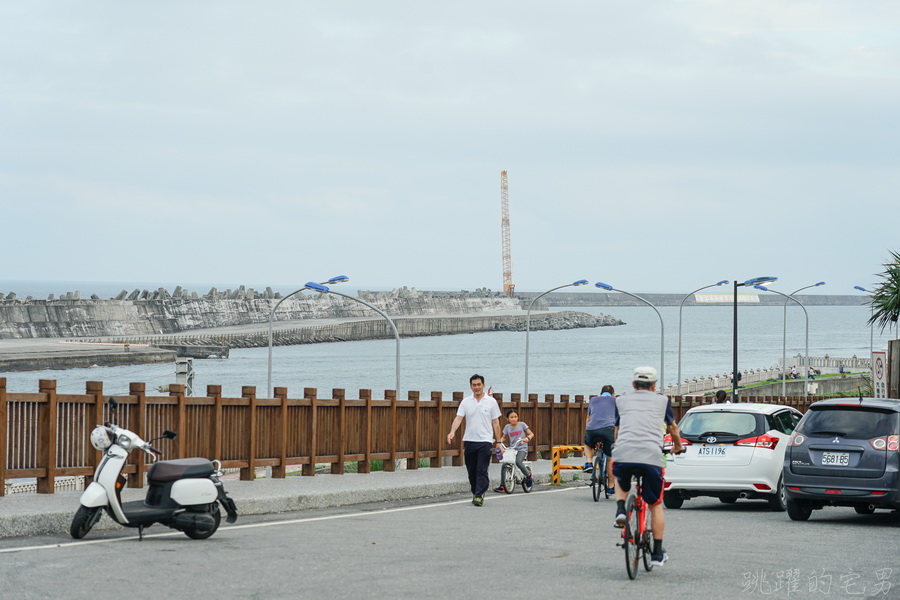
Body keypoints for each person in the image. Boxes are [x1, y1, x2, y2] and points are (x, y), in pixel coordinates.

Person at [612, 366, 684, 568]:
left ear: (633, 385)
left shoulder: (621, 400)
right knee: (655, 504)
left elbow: (618, 429)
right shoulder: (662, 401)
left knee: (621, 479)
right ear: (654, 386)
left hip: (624, 453)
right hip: (651, 457)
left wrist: (619, 447)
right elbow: (673, 428)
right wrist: (677, 447)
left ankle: (620, 510)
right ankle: (658, 553)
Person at [447, 374, 503, 507]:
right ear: (470, 386)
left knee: (481, 469)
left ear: (483, 385)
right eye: (474, 385)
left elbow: (496, 422)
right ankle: (475, 491)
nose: (476, 387)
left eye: (479, 384)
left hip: (485, 441)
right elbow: (458, 418)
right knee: (471, 470)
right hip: (469, 440)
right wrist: (452, 432)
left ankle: (479, 494)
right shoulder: (466, 402)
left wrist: (499, 441)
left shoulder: (491, 402)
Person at [583, 384, 617, 493]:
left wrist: (587, 432)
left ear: (601, 393)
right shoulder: (616, 401)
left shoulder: (593, 400)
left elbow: (588, 417)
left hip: (592, 429)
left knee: (588, 444)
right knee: (611, 458)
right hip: (608, 429)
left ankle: (588, 463)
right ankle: (611, 487)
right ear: (612, 393)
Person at [493, 409, 534, 492]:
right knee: (505, 464)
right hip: (512, 449)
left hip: (522, 449)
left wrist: (527, 438)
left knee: (518, 462)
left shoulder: (522, 425)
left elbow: (531, 434)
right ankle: (502, 486)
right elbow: (504, 437)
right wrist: (499, 442)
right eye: (511, 417)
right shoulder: (507, 427)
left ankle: (528, 475)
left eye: (515, 417)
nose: (514, 419)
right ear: (508, 419)